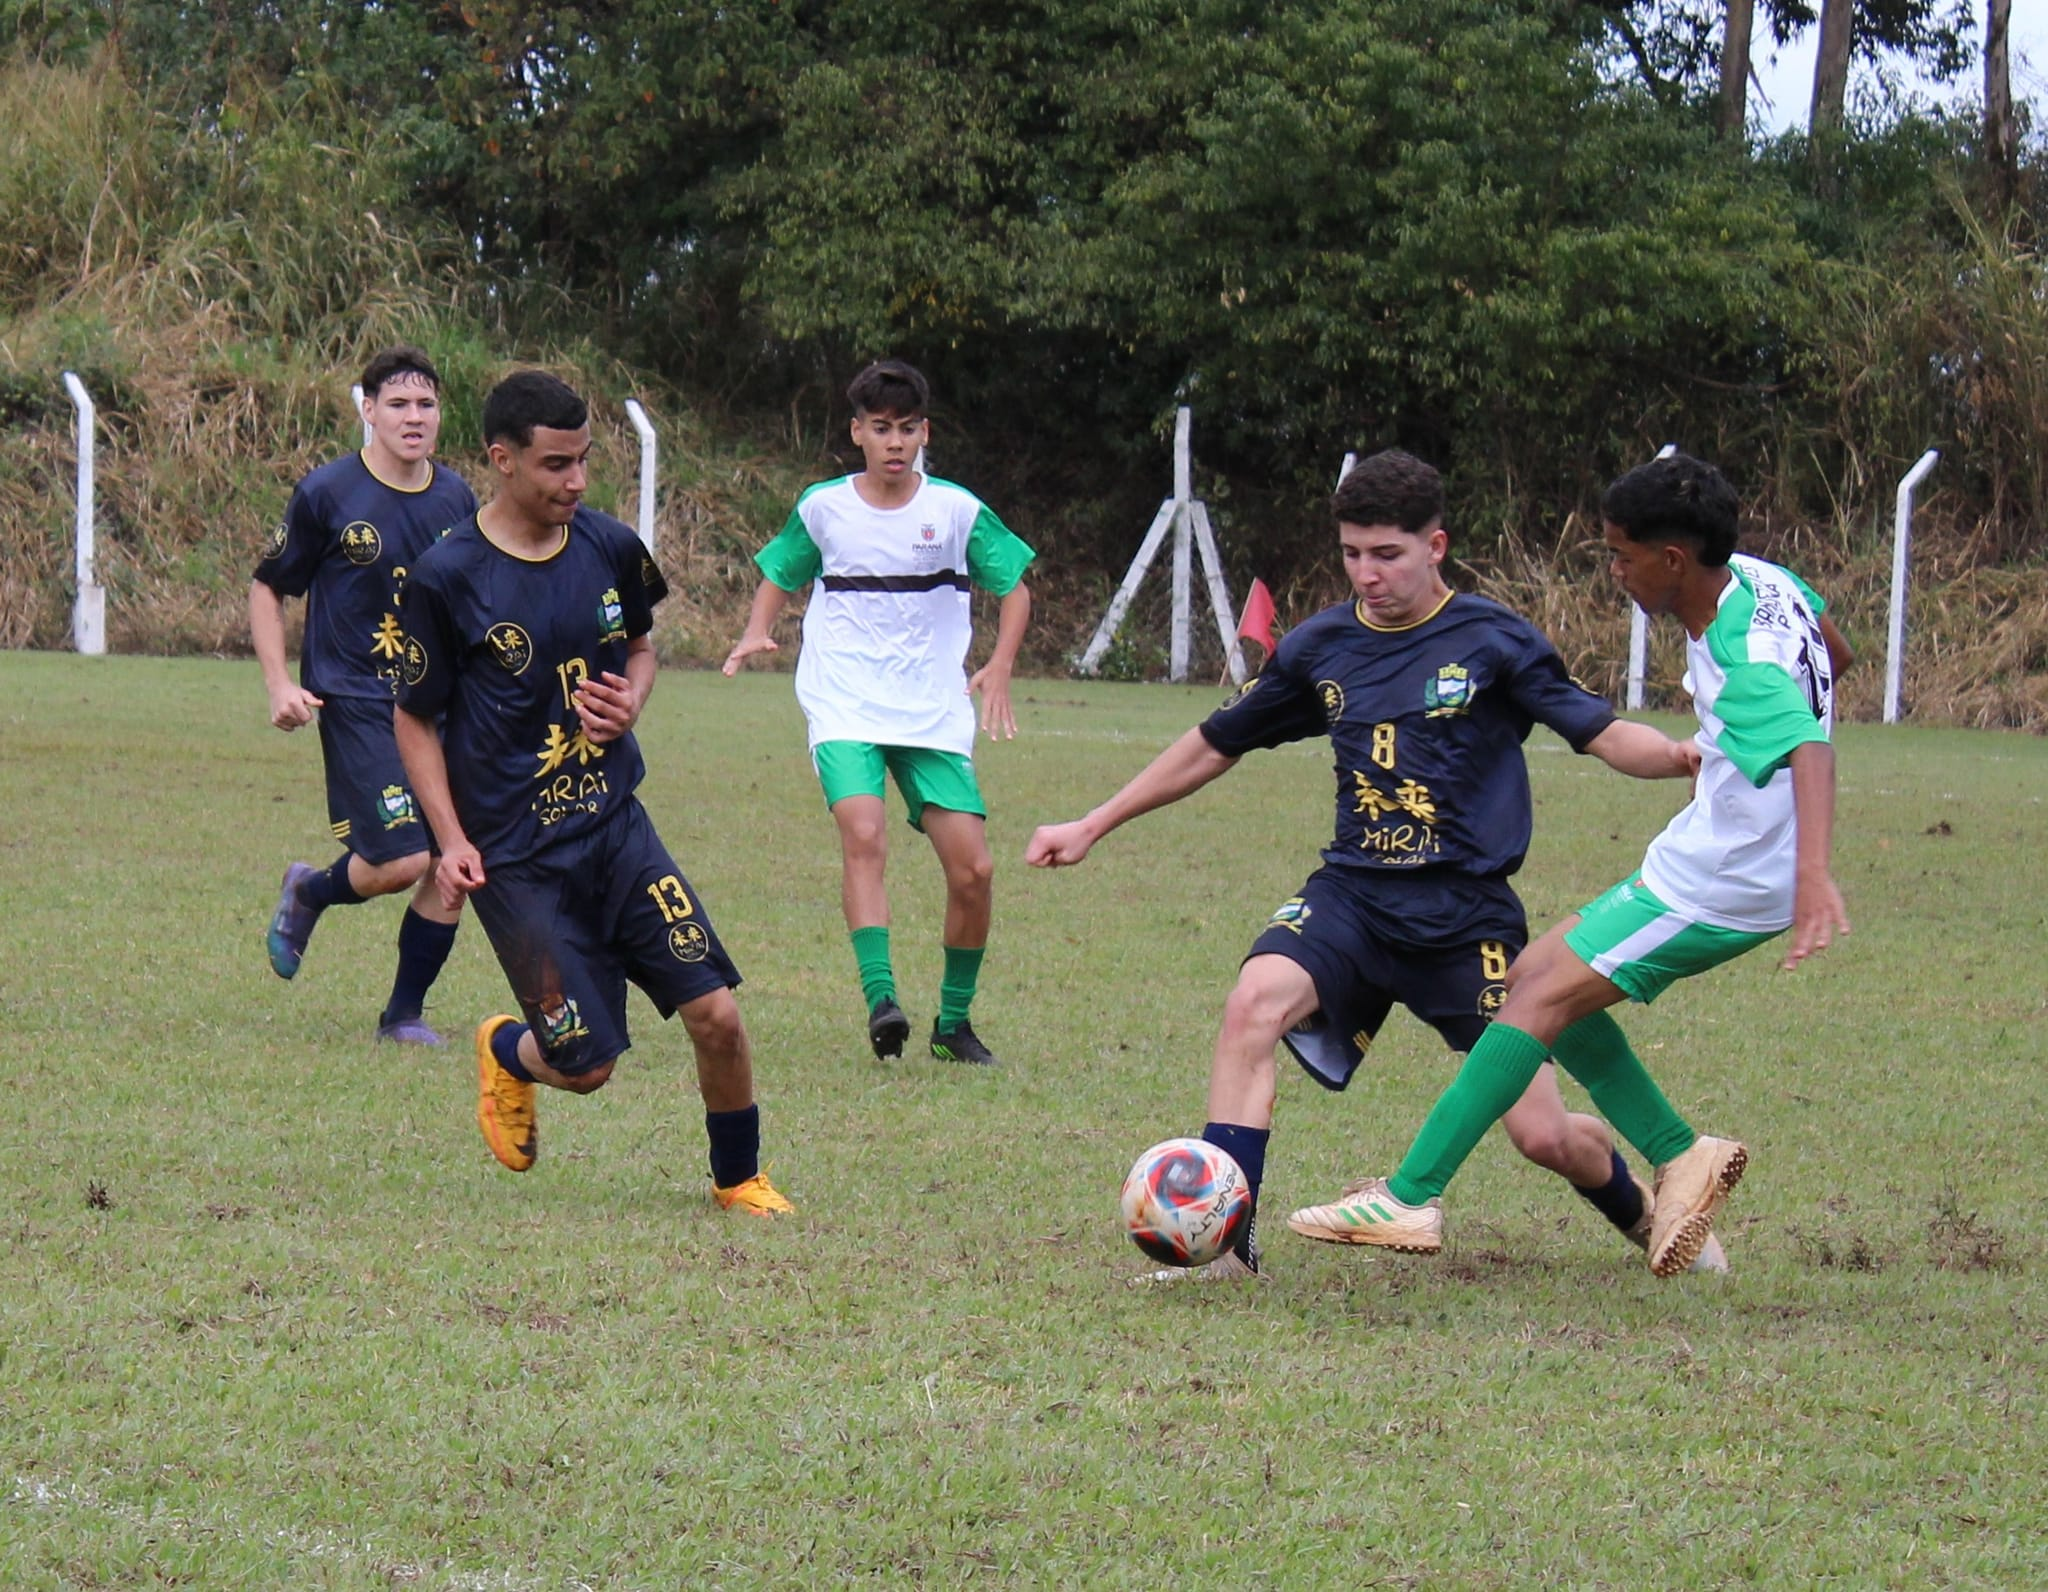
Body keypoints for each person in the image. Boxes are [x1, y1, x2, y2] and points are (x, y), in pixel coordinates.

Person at [1027, 449, 1712, 1281]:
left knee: (1544, 1135)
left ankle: (1640, 1211)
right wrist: (1095, 822)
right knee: (1252, 1006)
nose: (1367, 573)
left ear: (1436, 546)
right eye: (1352, 553)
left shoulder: (1495, 640)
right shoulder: (1321, 646)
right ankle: (1225, 1252)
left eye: (1387, 554)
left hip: (1467, 920)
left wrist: (1679, 755)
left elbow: (1603, 735)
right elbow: (1215, 744)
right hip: (1352, 898)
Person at [1290, 452, 1851, 1276]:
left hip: (1735, 872)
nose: (1615, 571)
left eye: (1622, 556)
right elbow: (1833, 651)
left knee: (1541, 995)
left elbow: (1805, 741)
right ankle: (1679, 1153)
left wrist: (1811, 873)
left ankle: (1410, 1194)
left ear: (1673, 559)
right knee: (1536, 974)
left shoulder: (1742, 648)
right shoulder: (1764, 579)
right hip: (1713, 844)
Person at [392, 369, 793, 1215]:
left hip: (617, 828)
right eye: (554, 466)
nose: (576, 481)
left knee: (715, 1013)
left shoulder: (609, 546)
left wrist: (634, 697)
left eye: (584, 461)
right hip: (516, 858)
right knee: (587, 1066)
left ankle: (739, 1179)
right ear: (502, 460)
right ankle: (510, 1052)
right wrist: (451, 841)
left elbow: (641, 649)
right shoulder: (446, 576)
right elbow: (415, 720)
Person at [723, 359, 1035, 1067]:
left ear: (924, 434)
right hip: (845, 701)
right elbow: (780, 569)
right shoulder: (825, 507)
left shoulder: (955, 511)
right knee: (863, 833)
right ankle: (882, 999)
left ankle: (953, 1025)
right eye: (881, 429)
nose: (895, 442)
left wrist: (1002, 662)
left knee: (974, 871)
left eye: (907, 429)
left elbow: (1015, 587)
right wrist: (755, 627)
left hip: (930, 710)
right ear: (857, 433)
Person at [252, 346, 475, 1044]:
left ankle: (402, 1015)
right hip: (353, 697)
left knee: (454, 861)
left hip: (435, 703)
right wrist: (280, 682)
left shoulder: (456, 498)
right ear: (369, 411)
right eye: (399, 405)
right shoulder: (328, 493)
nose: (414, 417)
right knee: (405, 857)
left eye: (427, 404)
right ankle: (310, 892)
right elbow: (269, 585)